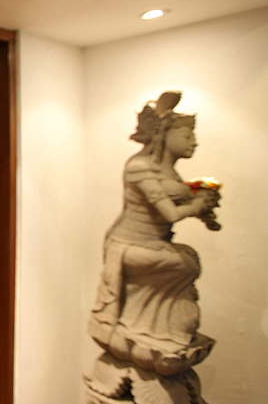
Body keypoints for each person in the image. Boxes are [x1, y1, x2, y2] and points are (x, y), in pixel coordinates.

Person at [88, 91, 219, 377]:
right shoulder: (139, 167)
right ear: (165, 135)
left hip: (153, 244)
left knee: (188, 259)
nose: (194, 142)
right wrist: (196, 204)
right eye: (186, 135)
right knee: (185, 263)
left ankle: (154, 326)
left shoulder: (167, 172)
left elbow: (180, 196)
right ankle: (146, 326)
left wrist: (202, 200)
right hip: (129, 245)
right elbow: (170, 214)